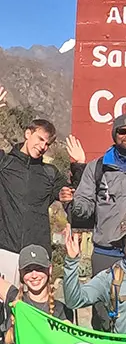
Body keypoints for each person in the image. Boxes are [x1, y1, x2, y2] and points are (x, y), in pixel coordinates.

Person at [69, 115, 126, 317]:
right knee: (103, 313)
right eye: (123, 131)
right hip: (106, 252)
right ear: (114, 134)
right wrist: (76, 205)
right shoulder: (97, 167)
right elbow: (85, 202)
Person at [0, 115, 65, 291]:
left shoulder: (49, 173)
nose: (43, 146)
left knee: (33, 312)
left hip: (37, 257)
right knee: (4, 312)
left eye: (47, 144)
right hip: (5, 251)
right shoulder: (4, 164)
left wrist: (78, 166)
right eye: (40, 139)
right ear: (28, 133)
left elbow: (72, 197)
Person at [1, 247, 74, 344]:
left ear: (49, 269)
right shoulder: (14, 298)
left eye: (40, 269)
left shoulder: (61, 310)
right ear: (21, 273)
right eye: (28, 270)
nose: (34, 275)